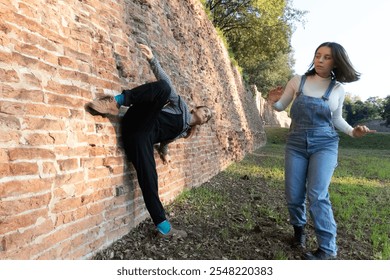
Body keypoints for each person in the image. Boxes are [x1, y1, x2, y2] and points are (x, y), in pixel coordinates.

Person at [87, 43, 212, 238]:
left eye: (208, 117)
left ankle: (163, 227)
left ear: (203, 123)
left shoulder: (184, 132)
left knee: (150, 179)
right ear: (196, 109)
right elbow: (166, 81)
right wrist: (152, 60)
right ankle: (116, 101)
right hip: (137, 119)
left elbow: (164, 142)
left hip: (139, 139)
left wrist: (165, 153)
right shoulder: (180, 105)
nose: (207, 115)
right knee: (163, 87)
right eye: (206, 111)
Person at [268, 42, 375, 260]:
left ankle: (327, 249)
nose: (320, 60)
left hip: (325, 144)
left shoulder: (337, 89)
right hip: (296, 143)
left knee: (317, 194)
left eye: (326, 57)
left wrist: (353, 132)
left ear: (336, 62)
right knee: (293, 194)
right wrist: (273, 101)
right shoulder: (298, 81)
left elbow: (336, 119)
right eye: (318, 55)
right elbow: (281, 107)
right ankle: (299, 232)